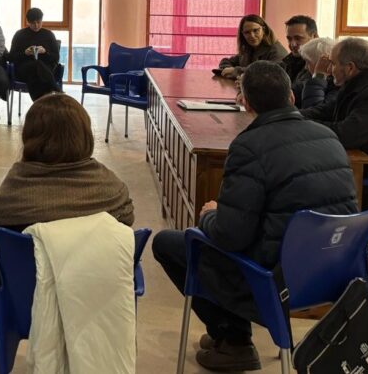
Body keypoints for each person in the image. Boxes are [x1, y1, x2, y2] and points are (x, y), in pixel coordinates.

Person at [153, 61, 357, 372]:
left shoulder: (248, 146)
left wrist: (210, 215)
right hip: (331, 270)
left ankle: (232, 338)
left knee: (170, 243)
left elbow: (230, 235)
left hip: (275, 276)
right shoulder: (328, 136)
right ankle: (232, 336)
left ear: (245, 103)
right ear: (291, 97)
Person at [0, 92, 134, 231]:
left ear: (29, 136)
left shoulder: (11, 197)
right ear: (85, 136)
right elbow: (127, 223)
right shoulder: (114, 193)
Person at [301, 37, 368, 224]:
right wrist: (287, 116)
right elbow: (325, 112)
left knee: (298, 187)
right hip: (359, 174)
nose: (329, 70)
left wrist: (297, 125)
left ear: (350, 68)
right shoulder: (360, 83)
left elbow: (346, 135)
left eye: (332, 64)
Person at [8, 8, 60, 102]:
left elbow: (56, 58)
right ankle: (56, 89)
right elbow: (11, 57)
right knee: (36, 65)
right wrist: (25, 53)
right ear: (28, 22)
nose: (36, 25)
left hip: (44, 70)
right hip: (24, 69)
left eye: (39, 22)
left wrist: (44, 52)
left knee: (35, 74)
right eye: (33, 23)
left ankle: (38, 104)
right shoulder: (19, 35)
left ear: (42, 20)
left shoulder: (49, 35)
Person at [216, 14, 287, 79]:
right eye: (247, 32)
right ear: (242, 35)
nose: (252, 36)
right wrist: (228, 70)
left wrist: (236, 71)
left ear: (264, 30)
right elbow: (225, 61)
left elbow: (270, 73)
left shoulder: (276, 51)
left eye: (255, 30)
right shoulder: (248, 49)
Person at [281, 15, 318, 105]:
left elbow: (296, 93)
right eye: (289, 39)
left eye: (298, 38)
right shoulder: (287, 62)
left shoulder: (320, 63)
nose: (292, 44)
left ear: (314, 36)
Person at [298, 37, 338, 108]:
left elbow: (313, 111)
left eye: (308, 62)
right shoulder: (307, 76)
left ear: (323, 63)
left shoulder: (337, 86)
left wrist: (319, 76)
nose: (306, 67)